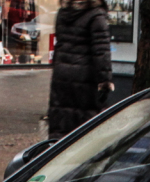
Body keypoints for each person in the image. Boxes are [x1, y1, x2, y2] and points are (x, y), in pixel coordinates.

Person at [48, 0, 114, 139]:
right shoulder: (96, 15)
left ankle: (55, 155)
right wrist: (105, 82)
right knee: (86, 127)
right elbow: (101, 51)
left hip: (62, 76)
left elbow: (60, 44)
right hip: (85, 77)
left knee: (61, 120)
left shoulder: (63, 12)